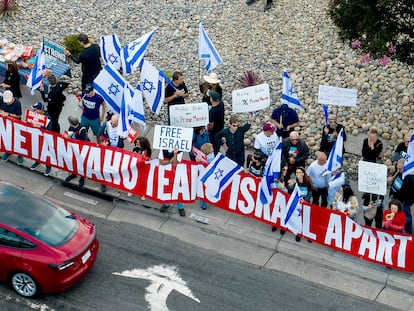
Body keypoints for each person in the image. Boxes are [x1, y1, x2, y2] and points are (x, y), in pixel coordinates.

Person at [99, 114, 125, 193]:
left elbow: (127, 137)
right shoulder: (106, 124)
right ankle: (103, 183)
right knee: (104, 166)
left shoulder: (123, 127)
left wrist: (124, 137)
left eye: (114, 124)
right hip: (108, 148)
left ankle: (114, 180)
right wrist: (103, 142)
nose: (112, 125)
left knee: (116, 166)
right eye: (111, 123)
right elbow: (100, 134)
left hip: (118, 149)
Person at [286, 167, 313, 242]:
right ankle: (298, 234)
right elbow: (290, 189)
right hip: (296, 205)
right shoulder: (295, 181)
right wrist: (291, 184)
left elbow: (310, 193)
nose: (298, 174)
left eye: (299, 172)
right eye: (297, 172)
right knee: (297, 219)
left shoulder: (307, 182)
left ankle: (307, 235)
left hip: (305, 204)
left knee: (306, 220)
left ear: (303, 174)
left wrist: (305, 200)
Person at [63, 116, 90, 188]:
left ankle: (82, 177)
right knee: (73, 161)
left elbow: (83, 141)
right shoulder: (71, 128)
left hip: (81, 149)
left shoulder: (82, 129)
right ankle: (74, 173)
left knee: (81, 163)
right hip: (74, 148)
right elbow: (69, 134)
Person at [28, 102, 53, 176]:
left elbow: (49, 129)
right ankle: (37, 161)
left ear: (40, 110)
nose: (33, 111)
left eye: (35, 110)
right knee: (37, 150)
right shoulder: (34, 114)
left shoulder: (48, 117)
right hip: (36, 136)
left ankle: (48, 166)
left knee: (46, 152)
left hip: (45, 138)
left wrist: (40, 127)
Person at [159, 148, 185, 217]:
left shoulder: (180, 150)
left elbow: (175, 163)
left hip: (177, 173)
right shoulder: (163, 148)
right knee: (167, 189)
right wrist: (170, 161)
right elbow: (161, 162)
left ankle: (180, 207)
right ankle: (166, 204)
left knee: (178, 190)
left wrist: (175, 154)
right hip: (166, 173)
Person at [0, 90, 23, 165]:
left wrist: (8, 114)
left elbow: (18, 116)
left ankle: (20, 155)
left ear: (12, 98)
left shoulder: (17, 103)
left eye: (8, 102)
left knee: (18, 140)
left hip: (15, 124)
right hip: (5, 123)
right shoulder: (2, 99)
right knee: (7, 138)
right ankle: (8, 152)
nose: (7, 103)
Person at [271, 164, 289, 232]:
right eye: (284, 169)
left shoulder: (288, 180)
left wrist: (283, 187)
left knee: (283, 214)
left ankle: (283, 227)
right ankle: (275, 225)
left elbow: (287, 192)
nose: (285, 171)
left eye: (286, 170)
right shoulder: (276, 178)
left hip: (284, 200)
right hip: (276, 198)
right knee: (275, 212)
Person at [199, 143, 215, 211]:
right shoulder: (204, 157)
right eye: (211, 148)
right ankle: (203, 204)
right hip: (205, 175)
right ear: (208, 150)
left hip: (210, 175)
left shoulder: (212, 154)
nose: (213, 149)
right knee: (204, 190)